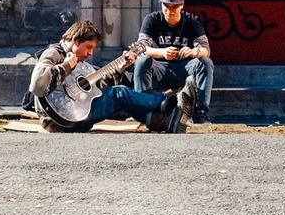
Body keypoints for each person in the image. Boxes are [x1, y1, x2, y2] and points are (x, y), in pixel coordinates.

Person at [29, 19, 183, 133]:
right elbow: (37, 85)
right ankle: (164, 101)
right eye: (88, 47)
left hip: (78, 116)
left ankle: (160, 121)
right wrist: (67, 66)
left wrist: (121, 67)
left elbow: (97, 91)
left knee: (117, 95)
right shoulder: (54, 53)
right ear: (76, 41)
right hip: (58, 120)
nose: (90, 53)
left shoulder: (83, 65)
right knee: (119, 93)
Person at [133, 0, 213, 123]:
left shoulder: (192, 21)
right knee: (141, 60)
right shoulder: (152, 19)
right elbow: (141, 48)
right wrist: (162, 52)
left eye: (174, 7)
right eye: (166, 6)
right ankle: (143, 111)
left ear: (182, 6)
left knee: (205, 62)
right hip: (160, 68)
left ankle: (201, 113)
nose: (170, 11)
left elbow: (206, 50)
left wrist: (194, 52)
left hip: (184, 68)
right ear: (161, 4)